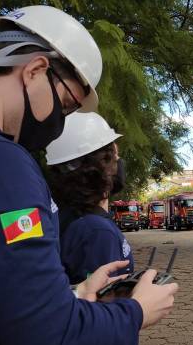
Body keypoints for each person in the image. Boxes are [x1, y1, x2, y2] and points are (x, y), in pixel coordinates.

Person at [0, 5, 178, 345]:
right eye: (66, 106)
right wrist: (136, 311)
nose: (59, 124)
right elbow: (53, 344)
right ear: (36, 70)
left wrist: (69, 295)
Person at [45, 111, 134, 284]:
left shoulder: (69, 217)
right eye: (115, 157)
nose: (119, 163)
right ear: (102, 168)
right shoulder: (97, 232)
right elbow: (105, 306)